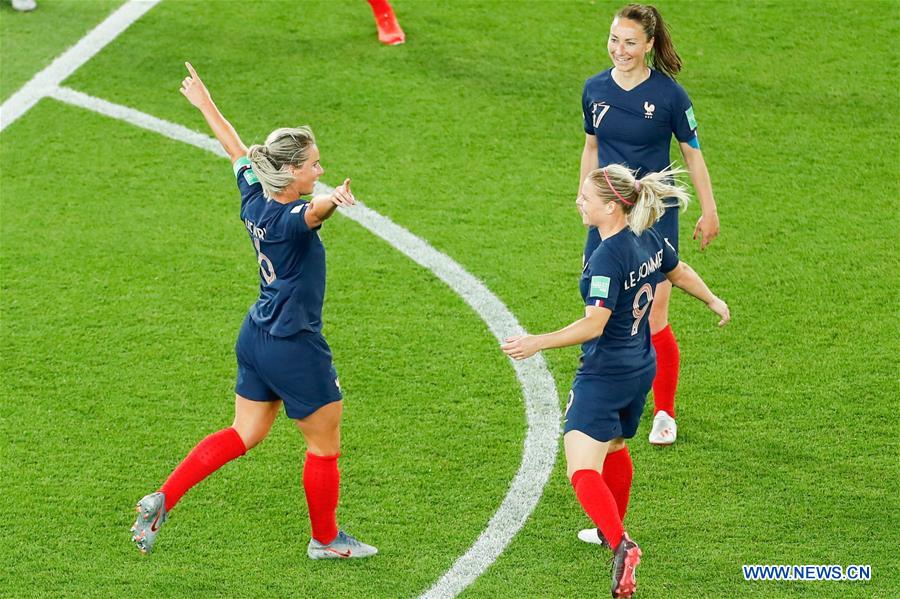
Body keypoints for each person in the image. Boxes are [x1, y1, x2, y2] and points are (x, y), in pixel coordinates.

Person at [130, 63, 377, 560]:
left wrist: (205, 103)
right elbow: (313, 212)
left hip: (257, 336)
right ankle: (325, 540)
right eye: (313, 165)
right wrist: (333, 199)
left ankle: (165, 497)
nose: (319, 171)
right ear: (290, 173)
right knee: (324, 446)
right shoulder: (291, 218)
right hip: (294, 345)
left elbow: (237, 149)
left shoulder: (253, 198)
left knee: (245, 432)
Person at [502, 164, 729, 598]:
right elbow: (677, 272)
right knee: (617, 445)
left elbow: (594, 325)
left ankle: (622, 544)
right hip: (641, 366)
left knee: (581, 467)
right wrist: (713, 300)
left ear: (610, 206)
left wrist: (537, 342)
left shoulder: (607, 256)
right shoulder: (645, 235)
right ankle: (612, 534)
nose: (578, 201)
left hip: (605, 373)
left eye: (585, 197)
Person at [579, 3, 720, 446]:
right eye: (614, 39)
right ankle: (601, 395)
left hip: (653, 216)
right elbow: (591, 146)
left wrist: (709, 209)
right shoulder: (594, 89)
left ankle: (664, 412)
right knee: (601, 309)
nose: (619, 49)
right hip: (607, 213)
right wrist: (585, 194)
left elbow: (692, 154)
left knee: (653, 313)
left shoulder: (670, 97)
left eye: (630, 42)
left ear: (649, 46)